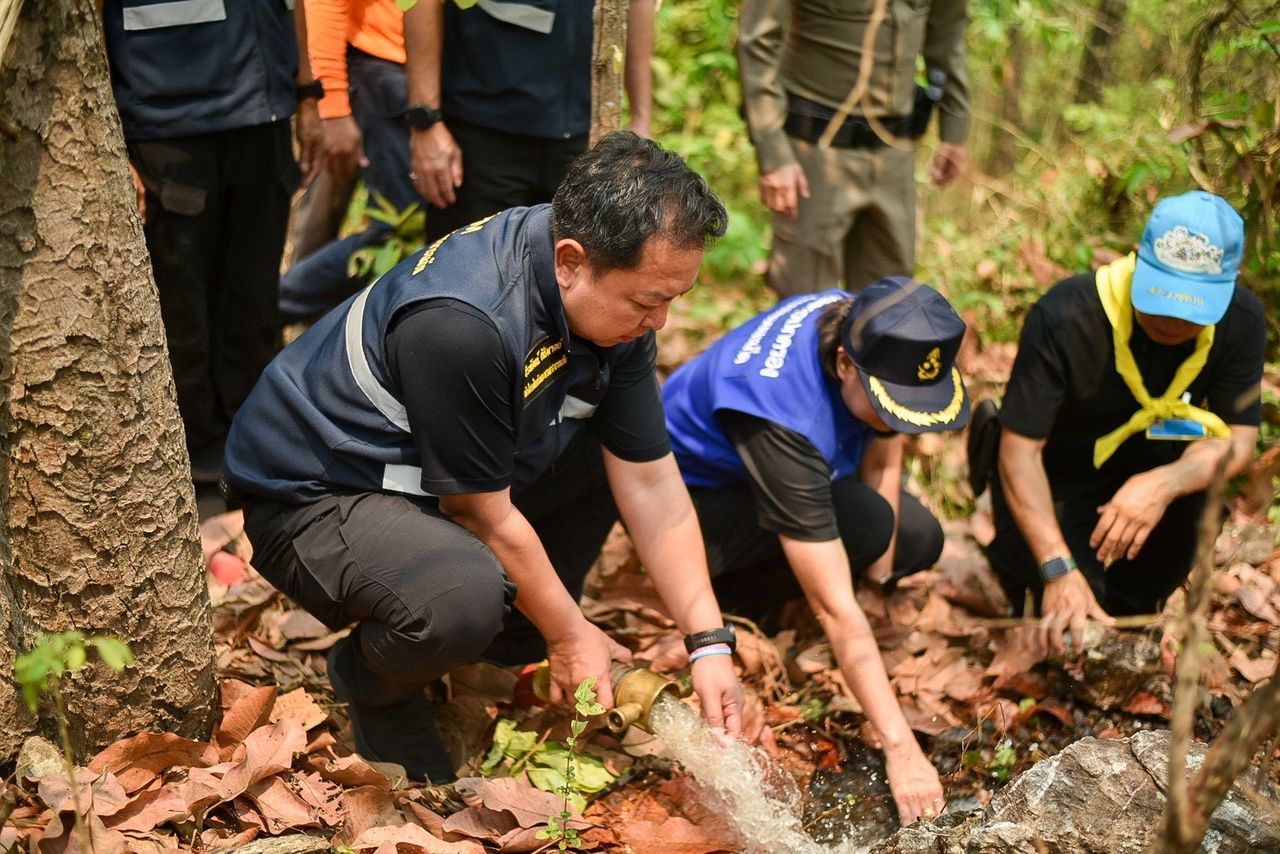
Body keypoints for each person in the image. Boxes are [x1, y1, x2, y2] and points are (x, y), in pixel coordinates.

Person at [223, 133, 753, 783]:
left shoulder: (609, 291)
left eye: (673, 299)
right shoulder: (464, 320)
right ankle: (376, 682)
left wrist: (708, 642)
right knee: (463, 596)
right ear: (570, 261)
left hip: (434, 474)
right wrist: (572, 633)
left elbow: (649, 481)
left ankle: (504, 651)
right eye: (649, 302)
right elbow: (480, 514)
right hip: (317, 492)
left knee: (603, 454)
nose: (662, 322)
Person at [663, 277, 971, 825]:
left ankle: (814, 573)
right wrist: (901, 748)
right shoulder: (779, 410)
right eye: (889, 404)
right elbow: (834, 609)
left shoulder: (870, 328)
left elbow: (887, 444)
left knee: (910, 537)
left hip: (785, 465)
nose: (897, 420)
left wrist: (876, 579)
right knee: (864, 527)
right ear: (846, 364)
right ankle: (744, 601)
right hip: (693, 506)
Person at [981, 191, 1265, 656]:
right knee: (1063, 630)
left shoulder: (1242, 321)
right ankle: (1024, 571)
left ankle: (1136, 618)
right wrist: (1057, 568)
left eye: (1190, 308)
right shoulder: (1065, 316)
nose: (1170, 319)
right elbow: (1018, 452)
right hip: (1057, 484)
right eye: (1160, 297)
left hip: (1151, 472)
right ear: (1137, 258)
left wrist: (1164, 484)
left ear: (1229, 285)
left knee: (1125, 623)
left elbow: (1239, 439)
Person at [101, 0, 323, 482]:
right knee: (181, 311)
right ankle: (197, 464)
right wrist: (107, 139)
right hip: (167, 123)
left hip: (263, 114)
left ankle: (253, 451)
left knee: (254, 303)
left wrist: (307, 93)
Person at [737, 0, 970, 295]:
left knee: (889, 301)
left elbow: (947, 36)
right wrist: (773, 152)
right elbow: (757, 39)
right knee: (806, 300)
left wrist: (955, 128)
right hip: (814, 153)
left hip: (895, 153)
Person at [404, 0, 654, 243]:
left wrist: (641, 119)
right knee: (469, 263)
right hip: (480, 133)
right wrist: (426, 121)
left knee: (569, 263)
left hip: (582, 138)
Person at [279, 0, 414, 321]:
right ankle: (269, 310)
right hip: (380, 72)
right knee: (397, 230)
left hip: (409, 78)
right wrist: (332, 104)